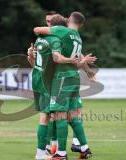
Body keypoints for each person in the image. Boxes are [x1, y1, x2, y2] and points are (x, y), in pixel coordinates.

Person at [34, 12, 96, 159]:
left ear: (69, 20)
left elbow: (37, 30)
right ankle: (84, 147)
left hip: (62, 78)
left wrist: (48, 30)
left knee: (59, 115)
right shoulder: (78, 37)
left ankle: (60, 153)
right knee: (74, 114)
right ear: (80, 24)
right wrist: (88, 71)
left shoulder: (62, 31)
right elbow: (79, 57)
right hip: (74, 78)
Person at [28, 14, 78, 160]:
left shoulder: (39, 39)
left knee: (49, 116)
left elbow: (34, 61)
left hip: (37, 78)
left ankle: (49, 149)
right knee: (49, 116)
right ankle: (43, 153)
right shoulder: (55, 40)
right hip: (47, 81)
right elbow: (56, 58)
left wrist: (30, 56)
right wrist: (71, 60)